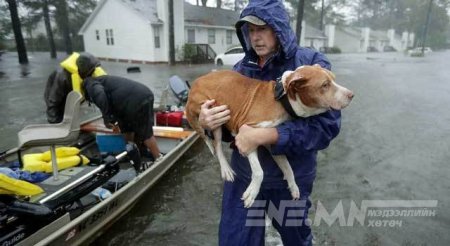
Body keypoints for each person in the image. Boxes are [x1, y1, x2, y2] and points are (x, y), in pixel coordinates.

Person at [198, 1, 341, 245]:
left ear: (279, 28)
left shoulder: (310, 65)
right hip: (245, 175)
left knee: (296, 240)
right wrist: (208, 124)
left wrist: (271, 136)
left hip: (290, 179)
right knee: (235, 241)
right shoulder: (240, 71)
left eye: (263, 29)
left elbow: (326, 127)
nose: (256, 37)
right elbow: (234, 132)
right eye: (251, 31)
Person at [76, 53, 162, 161]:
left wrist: (107, 119)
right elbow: (113, 99)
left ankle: (158, 158)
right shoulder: (100, 79)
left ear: (79, 72)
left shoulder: (89, 83)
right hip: (136, 98)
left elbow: (100, 95)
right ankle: (132, 153)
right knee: (127, 129)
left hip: (137, 100)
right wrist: (114, 120)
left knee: (145, 132)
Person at [44, 52, 106, 123]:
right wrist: (54, 123)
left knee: (74, 114)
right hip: (55, 96)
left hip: (70, 93)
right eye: (90, 72)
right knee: (60, 114)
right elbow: (53, 102)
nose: (92, 74)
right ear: (82, 70)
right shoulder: (62, 77)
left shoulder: (91, 70)